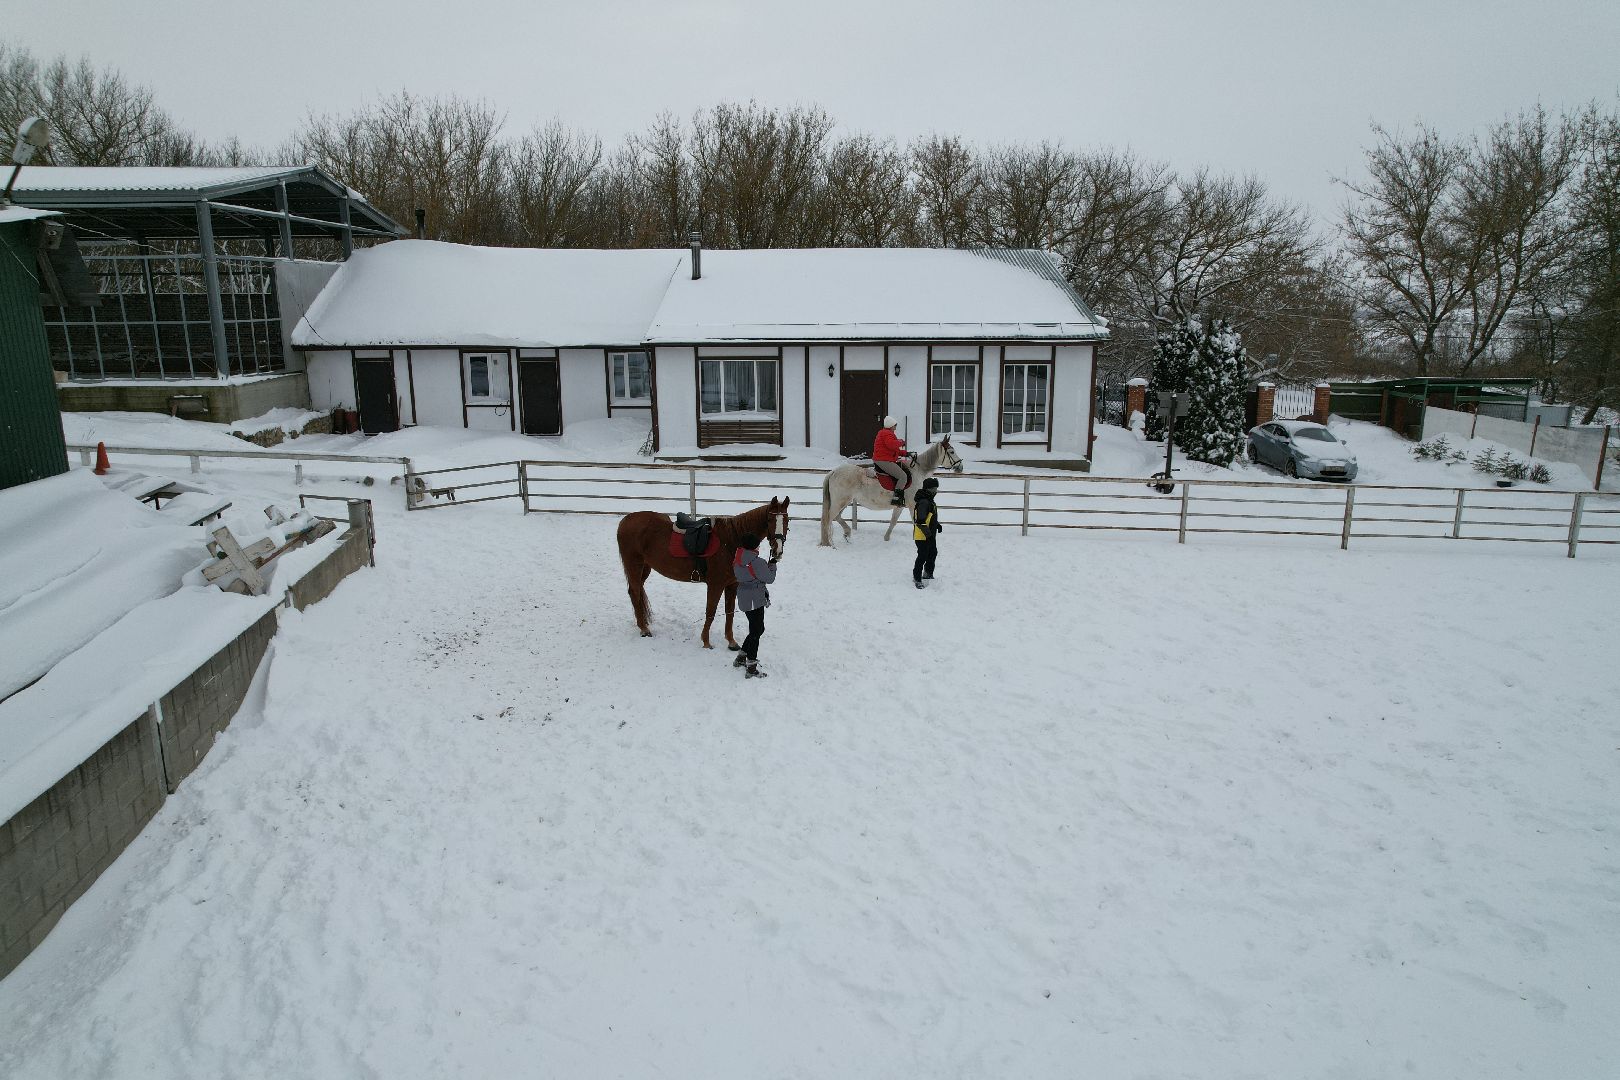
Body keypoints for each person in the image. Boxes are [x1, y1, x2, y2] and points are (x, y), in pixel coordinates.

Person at [731, 534, 777, 679]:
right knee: (756, 631)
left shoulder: (738, 559)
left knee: (756, 629)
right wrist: (773, 565)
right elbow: (769, 579)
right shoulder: (758, 562)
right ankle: (751, 667)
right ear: (755, 546)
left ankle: (741, 657)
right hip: (755, 599)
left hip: (744, 598)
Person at [873, 416, 911, 507]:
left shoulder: (885, 433)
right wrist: (901, 442)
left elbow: (893, 450)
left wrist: (906, 453)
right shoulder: (887, 434)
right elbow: (891, 445)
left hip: (883, 459)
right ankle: (896, 499)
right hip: (883, 461)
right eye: (895, 425)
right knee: (903, 476)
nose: (896, 426)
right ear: (891, 425)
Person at [911, 477, 942, 588]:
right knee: (922, 556)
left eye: (936, 489)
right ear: (928, 489)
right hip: (922, 536)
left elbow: (930, 517)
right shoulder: (924, 502)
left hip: (929, 534)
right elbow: (920, 521)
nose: (936, 491)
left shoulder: (929, 500)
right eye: (934, 489)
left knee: (932, 553)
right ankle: (917, 578)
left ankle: (928, 573)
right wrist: (928, 535)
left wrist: (936, 524)